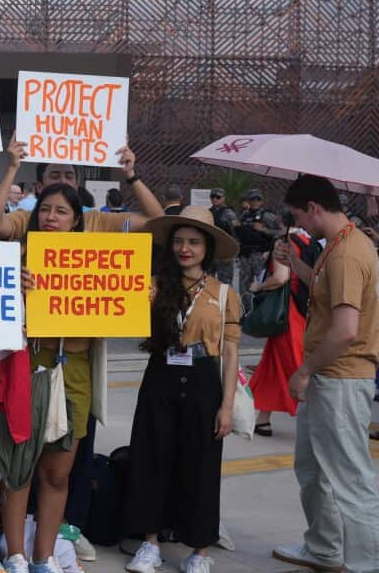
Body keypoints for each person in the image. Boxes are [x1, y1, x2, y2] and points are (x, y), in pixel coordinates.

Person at [0, 135, 164, 573]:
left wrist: (131, 176)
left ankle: (44, 556)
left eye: (62, 211)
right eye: (45, 208)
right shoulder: (24, 232)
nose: (51, 217)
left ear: (77, 217)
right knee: (17, 468)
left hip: (75, 367)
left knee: (57, 472)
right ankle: (16, 555)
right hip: (25, 363)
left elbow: (160, 221)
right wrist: (10, 167)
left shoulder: (100, 229)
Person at [123, 206, 242, 573]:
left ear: (207, 247)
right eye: (178, 241)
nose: (184, 248)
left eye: (193, 242)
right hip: (161, 376)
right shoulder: (154, 285)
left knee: (201, 466)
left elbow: (231, 351)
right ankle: (150, 544)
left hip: (204, 380)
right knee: (151, 458)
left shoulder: (224, 295)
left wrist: (226, 405)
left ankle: (199, 550)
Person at [272, 174, 379, 573]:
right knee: (313, 469)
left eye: (299, 216)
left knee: (350, 478)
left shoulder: (349, 252)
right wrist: (295, 264)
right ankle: (323, 548)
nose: (298, 224)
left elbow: (346, 329)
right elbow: (326, 288)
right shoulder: (337, 246)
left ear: (314, 208)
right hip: (328, 377)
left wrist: (304, 371)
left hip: (339, 377)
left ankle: (367, 563)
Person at [247, 211, 319, 437]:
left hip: (286, 313)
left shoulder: (285, 243)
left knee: (292, 364)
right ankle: (263, 419)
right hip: (302, 310)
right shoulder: (310, 242)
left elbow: (281, 277)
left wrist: (259, 287)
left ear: (281, 220)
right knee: (273, 364)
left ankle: (318, 418)